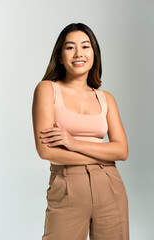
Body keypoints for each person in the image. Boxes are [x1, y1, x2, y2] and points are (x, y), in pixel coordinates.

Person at [32, 23, 129, 240]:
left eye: (85, 46)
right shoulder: (47, 89)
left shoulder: (107, 99)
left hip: (110, 186)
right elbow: (46, 151)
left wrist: (73, 142)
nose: (78, 53)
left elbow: (122, 151)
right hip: (67, 185)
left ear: (94, 53)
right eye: (70, 47)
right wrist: (102, 152)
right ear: (59, 56)